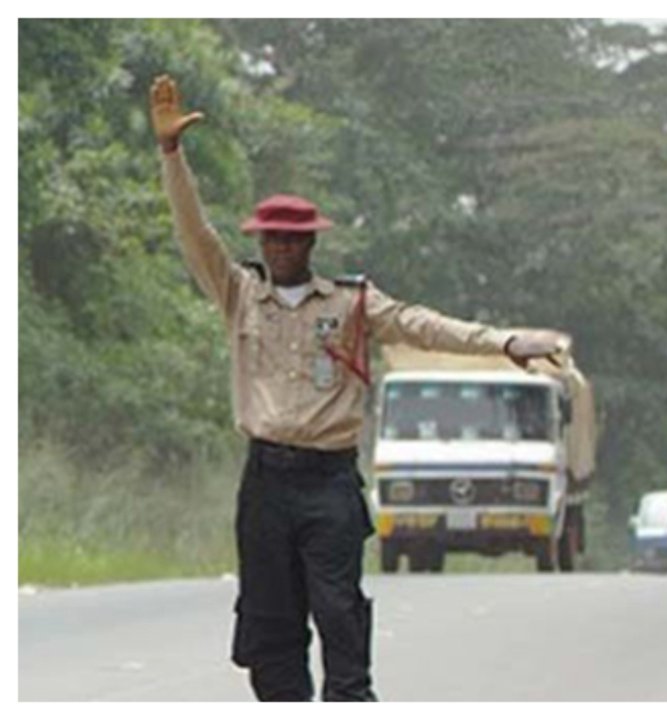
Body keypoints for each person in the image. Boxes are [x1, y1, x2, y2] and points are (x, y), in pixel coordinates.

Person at [150, 75, 562, 701]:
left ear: (312, 241)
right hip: (265, 480)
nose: (283, 247)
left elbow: (424, 325)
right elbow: (194, 235)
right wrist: (172, 157)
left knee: (339, 608)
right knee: (270, 619)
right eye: (272, 237)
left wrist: (503, 343)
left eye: (294, 237)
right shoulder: (239, 294)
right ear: (259, 241)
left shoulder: (351, 302)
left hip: (330, 483)